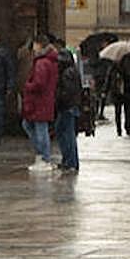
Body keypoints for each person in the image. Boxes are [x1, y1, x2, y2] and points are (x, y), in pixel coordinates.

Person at [21, 34, 59, 173]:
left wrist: (27, 86)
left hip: (39, 100)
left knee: (39, 128)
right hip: (45, 100)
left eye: (34, 45)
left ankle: (44, 157)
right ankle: (42, 156)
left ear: (39, 45)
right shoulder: (51, 60)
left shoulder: (42, 62)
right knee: (34, 126)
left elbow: (39, 83)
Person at [53, 43, 83, 173]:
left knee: (66, 134)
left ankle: (71, 162)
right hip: (70, 106)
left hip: (67, 107)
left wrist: (58, 99)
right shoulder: (72, 70)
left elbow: (67, 91)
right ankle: (69, 161)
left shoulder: (66, 73)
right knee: (64, 133)